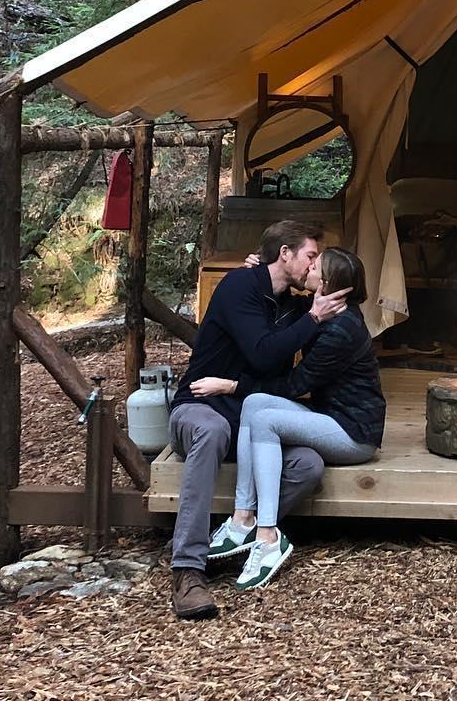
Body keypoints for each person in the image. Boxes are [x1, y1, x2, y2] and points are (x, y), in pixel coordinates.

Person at [168, 221, 351, 621]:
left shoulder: (295, 304)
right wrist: (313, 319)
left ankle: (244, 534)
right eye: (310, 256)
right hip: (200, 406)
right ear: (285, 254)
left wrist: (323, 305)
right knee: (212, 431)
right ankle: (188, 569)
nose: (314, 265)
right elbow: (264, 354)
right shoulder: (240, 287)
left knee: (308, 464)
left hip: (250, 419)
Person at [190, 247, 385, 591]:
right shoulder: (322, 311)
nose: (308, 267)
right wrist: (259, 271)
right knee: (255, 404)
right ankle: (242, 518)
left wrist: (231, 385)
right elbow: (283, 302)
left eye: (315, 266)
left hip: (353, 434)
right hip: (330, 416)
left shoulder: (342, 330)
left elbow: (295, 385)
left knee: (265, 419)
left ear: (327, 283)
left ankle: (267, 536)